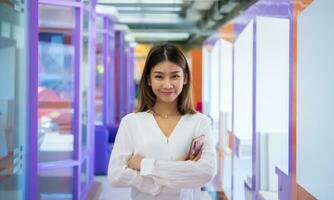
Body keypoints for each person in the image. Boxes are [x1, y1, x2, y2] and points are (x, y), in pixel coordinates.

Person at [107, 43, 216, 200]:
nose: (167, 84)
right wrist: (154, 184)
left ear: (185, 78)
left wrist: (145, 165)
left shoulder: (200, 122)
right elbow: (115, 175)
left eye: (175, 76)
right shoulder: (131, 123)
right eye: (159, 76)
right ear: (149, 80)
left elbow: (206, 173)